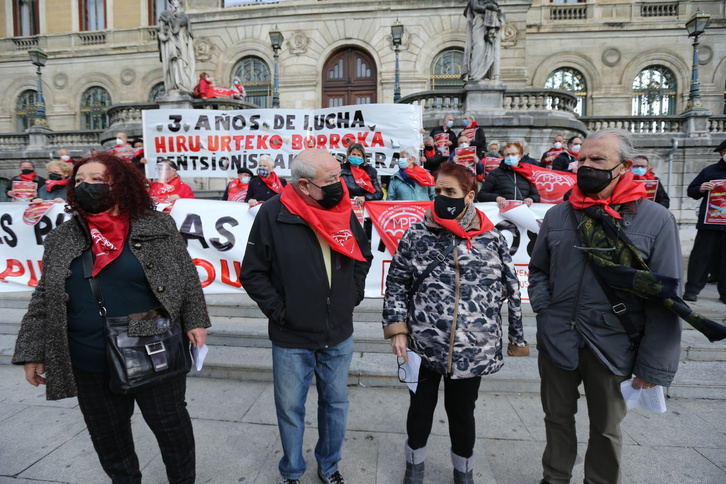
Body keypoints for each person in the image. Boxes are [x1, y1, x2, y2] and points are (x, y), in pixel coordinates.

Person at [12, 153, 210, 483]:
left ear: (119, 184)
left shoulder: (157, 225)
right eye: (78, 181)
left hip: (152, 348)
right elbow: (44, 297)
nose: (85, 185)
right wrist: (33, 351)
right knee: (109, 440)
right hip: (88, 358)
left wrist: (195, 320)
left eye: (95, 179)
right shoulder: (63, 237)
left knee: (171, 429)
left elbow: (186, 276)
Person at [528, 129, 682, 484]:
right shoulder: (558, 215)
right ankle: (554, 477)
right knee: (556, 418)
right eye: (582, 158)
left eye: (598, 160)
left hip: (613, 345)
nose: (586, 166)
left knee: (607, 429)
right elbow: (538, 269)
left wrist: (654, 366)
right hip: (558, 340)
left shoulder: (656, 220)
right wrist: (544, 308)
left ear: (624, 166)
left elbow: (667, 300)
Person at [383, 162, 527, 484]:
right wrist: (397, 329)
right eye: (438, 191)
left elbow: (513, 289)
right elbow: (396, 283)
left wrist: (516, 338)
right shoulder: (417, 233)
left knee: (463, 415)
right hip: (423, 345)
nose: (442, 196)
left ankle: (464, 472)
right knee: (420, 411)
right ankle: (414, 467)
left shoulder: (492, 238)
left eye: (450, 191)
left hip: (472, 350)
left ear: (469, 195)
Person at [240, 148, 373, 484]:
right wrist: (282, 312)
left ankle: (329, 467)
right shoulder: (272, 214)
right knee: (290, 409)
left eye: (340, 176)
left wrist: (351, 297)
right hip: (291, 337)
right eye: (331, 180)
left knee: (335, 406)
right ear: (303, 185)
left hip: (338, 334)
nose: (340, 185)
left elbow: (362, 255)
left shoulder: (343, 210)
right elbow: (253, 273)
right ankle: (292, 472)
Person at [683, 139, 726, 303]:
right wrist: (700, 189)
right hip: (709, 224)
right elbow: (691, 191)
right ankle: (692, 290)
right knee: (700, 257)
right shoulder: (709, 171)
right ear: (722, 153)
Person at [477, 142, 540, 208]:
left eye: (513, 154)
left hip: (522, 213)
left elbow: (536, 196)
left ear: (520, 156)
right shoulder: (495, 174)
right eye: (507, 155)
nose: (510, 157)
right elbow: (481, 195)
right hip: (501, 214)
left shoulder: (526, 174)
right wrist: (496, 198)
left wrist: (531, 199)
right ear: (503, 157)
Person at [158, 0, 196, 92]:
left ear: (180, 2)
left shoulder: (184, 16)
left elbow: (176, 28)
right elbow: (162, 29)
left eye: (175, 0)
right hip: (172, 42)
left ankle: (182, 83)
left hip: (181, 42)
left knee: (181, 61)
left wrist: (170, 18)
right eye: (172, 1)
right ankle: (175, 83)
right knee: (173, 62)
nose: (173, 2)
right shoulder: (168, 15)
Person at [463, 0, 504, 82]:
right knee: (479, 46)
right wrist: (488, 6)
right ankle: (475, 74)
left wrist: (494, 8)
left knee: (490, 50)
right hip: (479, 22)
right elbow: (475, 7)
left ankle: (486, 74)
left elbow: (498, 9)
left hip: (490, 23)